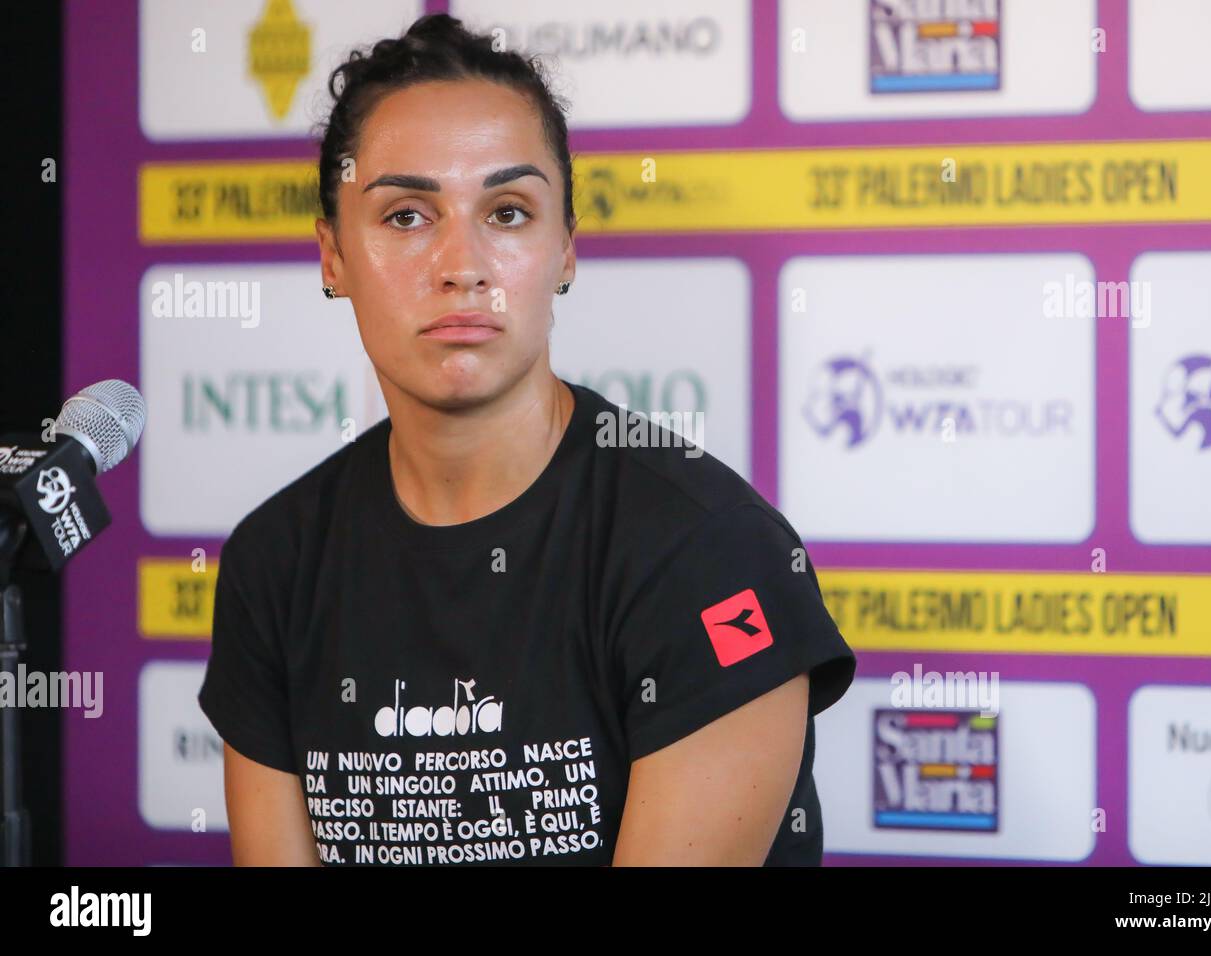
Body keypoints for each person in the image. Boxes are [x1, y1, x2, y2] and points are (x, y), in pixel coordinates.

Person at [197, 12, 856, 867]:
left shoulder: (707, 549)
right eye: (404, 216)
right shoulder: (275, 563)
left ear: (566, 250)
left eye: (507, 212)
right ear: (332, 256)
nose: (461, 263)